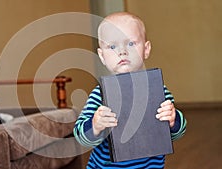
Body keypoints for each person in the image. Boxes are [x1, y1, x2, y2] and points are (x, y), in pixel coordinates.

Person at [73, 12, 187, 168]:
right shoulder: (100, 94)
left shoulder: (157, 90)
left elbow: (177, 133)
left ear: (146, 49)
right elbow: (80, 137)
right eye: (112, 46)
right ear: (102, 56)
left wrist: (174, 120)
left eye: (131, 44)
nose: (122, 51)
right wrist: (95, 125)